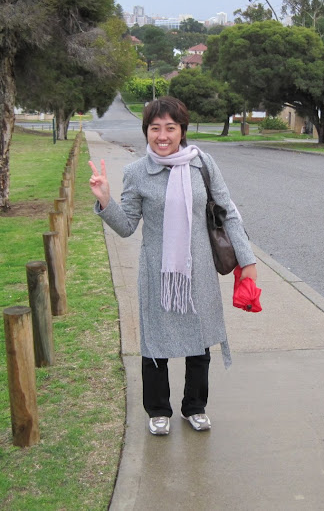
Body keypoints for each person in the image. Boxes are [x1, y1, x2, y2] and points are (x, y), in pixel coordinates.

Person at [88, 96, 257, 436]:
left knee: (200, 340)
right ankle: (158, 410)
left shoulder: (202, 164)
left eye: (170, 128)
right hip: (158, 275)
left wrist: (247, 261)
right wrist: (106, 199)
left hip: (199, 273)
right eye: (155, 128)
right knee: (155, 345)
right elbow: (126, 227)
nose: (162, 136)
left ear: (182, 131)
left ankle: (195, 407)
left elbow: (229, 213)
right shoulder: (136, 172)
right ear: (146, 131)